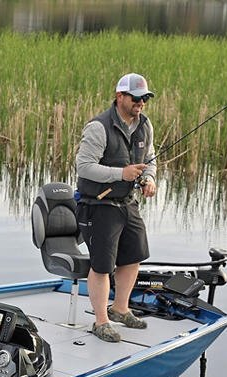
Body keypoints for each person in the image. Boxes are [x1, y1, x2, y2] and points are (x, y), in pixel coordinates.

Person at [75, 72, 157, 343]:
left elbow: (151, 159)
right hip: (99, 205)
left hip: (127, 204)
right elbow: (84, 167)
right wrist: (120, 174)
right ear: (120, 96)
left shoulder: (145, 125)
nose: (141, 103)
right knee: (101, 265)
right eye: (136, 98)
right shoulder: (99, 127)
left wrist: (149, 178)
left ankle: (121, 309)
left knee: (134, 255)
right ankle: (101, 321)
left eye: (145, 98)